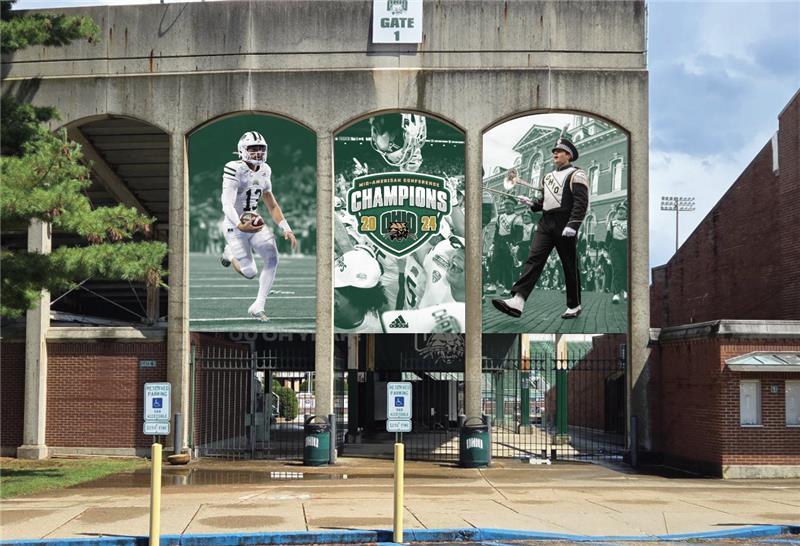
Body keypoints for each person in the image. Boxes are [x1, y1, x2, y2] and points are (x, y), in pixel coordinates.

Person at [492, 136, 589, 319]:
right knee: (533, 259)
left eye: (559, 151)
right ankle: (518, 300)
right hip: (546, 221)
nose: (555, 154)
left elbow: (581, 202)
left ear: (568, 155)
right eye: (554, 151)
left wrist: (573, 224)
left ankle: (574, 305)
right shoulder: (547, 177)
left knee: (569, 265)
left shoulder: (577, 174)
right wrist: (531, 202)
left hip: (564, 221)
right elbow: (543, 203)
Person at [220, 131, 297, 321]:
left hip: (254, 220)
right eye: (253, 149)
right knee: (250, 273)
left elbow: (270, 202)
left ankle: (258, 306)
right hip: (234, 224)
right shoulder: (234, 168)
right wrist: (239, 223)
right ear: (242, 150)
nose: (258, 153)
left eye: (261, 149)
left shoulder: (265, 170)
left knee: (272, 257)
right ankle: (229, 253)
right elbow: (226, 203)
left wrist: (285, 227)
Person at [490, 198, 522, 296]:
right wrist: (494, 242)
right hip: (499, 241)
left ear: (514, 206)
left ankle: (508, 288)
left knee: (508, 265)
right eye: (506, 204)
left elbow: (519, 234)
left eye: (509, 204)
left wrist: (516, 245)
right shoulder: (500, 217)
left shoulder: (517, 218)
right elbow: (496, 231)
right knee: (494, 262)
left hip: (509, 242)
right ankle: (493, 284)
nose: (507, 206)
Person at [606, 201, 628, 303]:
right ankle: (616, 293)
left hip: (626, 247)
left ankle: (626, 290)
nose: (620, 211)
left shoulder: (630, 223)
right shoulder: (612, 223)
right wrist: (607, 254)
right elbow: (608, 239)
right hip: (615, 247)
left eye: (623, 209)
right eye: (619, 209)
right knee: (617, 270)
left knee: (626, 269)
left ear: (627, 211)